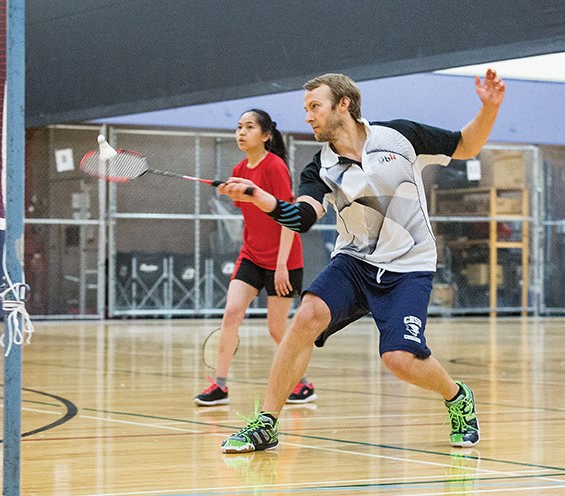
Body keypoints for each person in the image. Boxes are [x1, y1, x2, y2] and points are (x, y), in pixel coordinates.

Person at [217, 69, 506, 453]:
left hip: (409, 265)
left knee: (400, 359)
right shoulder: (319, 168)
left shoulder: (399, 137)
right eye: (306, 109)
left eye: (315, 106)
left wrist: (488, 109)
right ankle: (266, 424)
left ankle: (457, 397)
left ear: (344, 105)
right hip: (355, 262)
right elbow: (301, 218)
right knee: (306, 317)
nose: (308, 116)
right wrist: (260, 197)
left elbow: (466, 146)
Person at [194, 109, 317, 406]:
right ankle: (219, 385)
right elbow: (248, 208)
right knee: (231, 313)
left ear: (265, 135)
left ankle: (302, 384)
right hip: (251, 255)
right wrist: (230, 192)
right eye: (238, 127)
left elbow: (288, 217)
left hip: (283, 261)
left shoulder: (275, 167)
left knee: (277, 329)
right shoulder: (240, 168)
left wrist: (280, 267)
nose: (241, 133)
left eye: (249, 127)